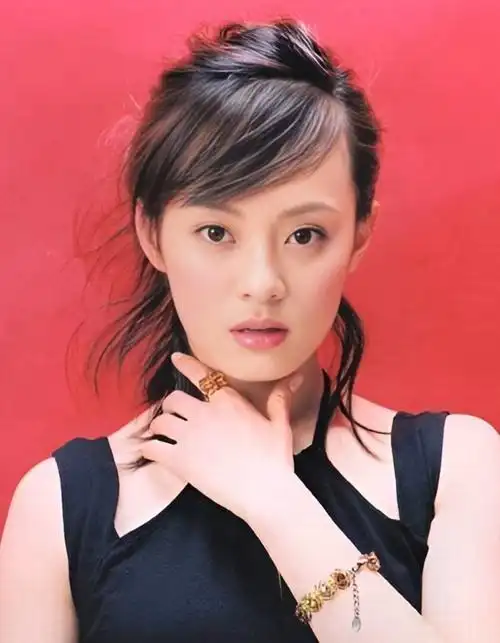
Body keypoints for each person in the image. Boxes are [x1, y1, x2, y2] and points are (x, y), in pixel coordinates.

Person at [0, 18, 498, 643]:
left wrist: (274, 500)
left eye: (304, 235)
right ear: (153, 234)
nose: (263, 283)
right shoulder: (62, 505)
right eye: (216, 233)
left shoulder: (455, 465)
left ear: (359, 236)